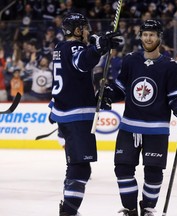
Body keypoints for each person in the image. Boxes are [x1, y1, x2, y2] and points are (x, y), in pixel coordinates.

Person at [100, 20, 177, 216]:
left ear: (159, 37)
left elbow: (175, 96)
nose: (148, 38)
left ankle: (148, 209)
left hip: (156, 129)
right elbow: (121, 88)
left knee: (153, 173)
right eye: (145, 34)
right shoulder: (130, 60)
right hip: (129, 127)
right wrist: (107, 94)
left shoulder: (170, 66)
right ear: (140, 36)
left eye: (152, 34)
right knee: (122, 168)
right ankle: (130, 210)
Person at [48, 12, 120, 216]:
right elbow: (82, 62)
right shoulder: (75, 47)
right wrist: (98, 48)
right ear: (78, 30)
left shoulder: (59, 48)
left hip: (65, 113)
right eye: (85, 28)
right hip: (77, 116)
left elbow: (64, 80)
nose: (88, 31)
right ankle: (68, 212)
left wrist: (53, 107)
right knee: (80, 169)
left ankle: (68, 209)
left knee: (75, 165)